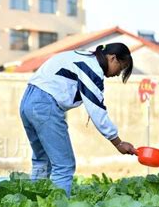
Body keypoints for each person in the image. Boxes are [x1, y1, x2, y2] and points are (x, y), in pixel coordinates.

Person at [19, 43, 137, 196]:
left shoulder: (83, 56)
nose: (117, 74)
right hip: (44, 105)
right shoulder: (92, 68)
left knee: (42, 159)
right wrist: (118, 143)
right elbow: (97, 111)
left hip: (27, 102)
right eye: (120, 68)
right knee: (64, 166)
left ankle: (32, 203)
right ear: (113, 58)